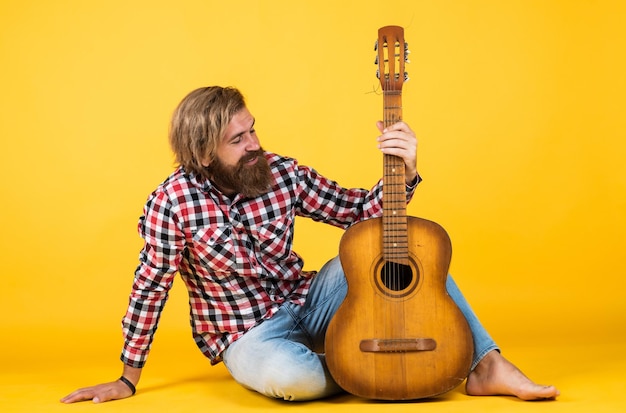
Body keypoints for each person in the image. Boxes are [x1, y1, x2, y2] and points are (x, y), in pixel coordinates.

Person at [61, 86, 559, 404]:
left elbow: (359, 213)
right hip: (246, 334)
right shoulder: (172, 204)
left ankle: (485, 363)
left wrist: (403, 173)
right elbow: (150, 288)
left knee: (408, 247)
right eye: (238, 140)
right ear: (203, 154)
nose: (255, 143)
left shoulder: (279, 172)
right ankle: (374, 364)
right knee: (294, 380)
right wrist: (127, 378)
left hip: (309, 300)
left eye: (252, 128)